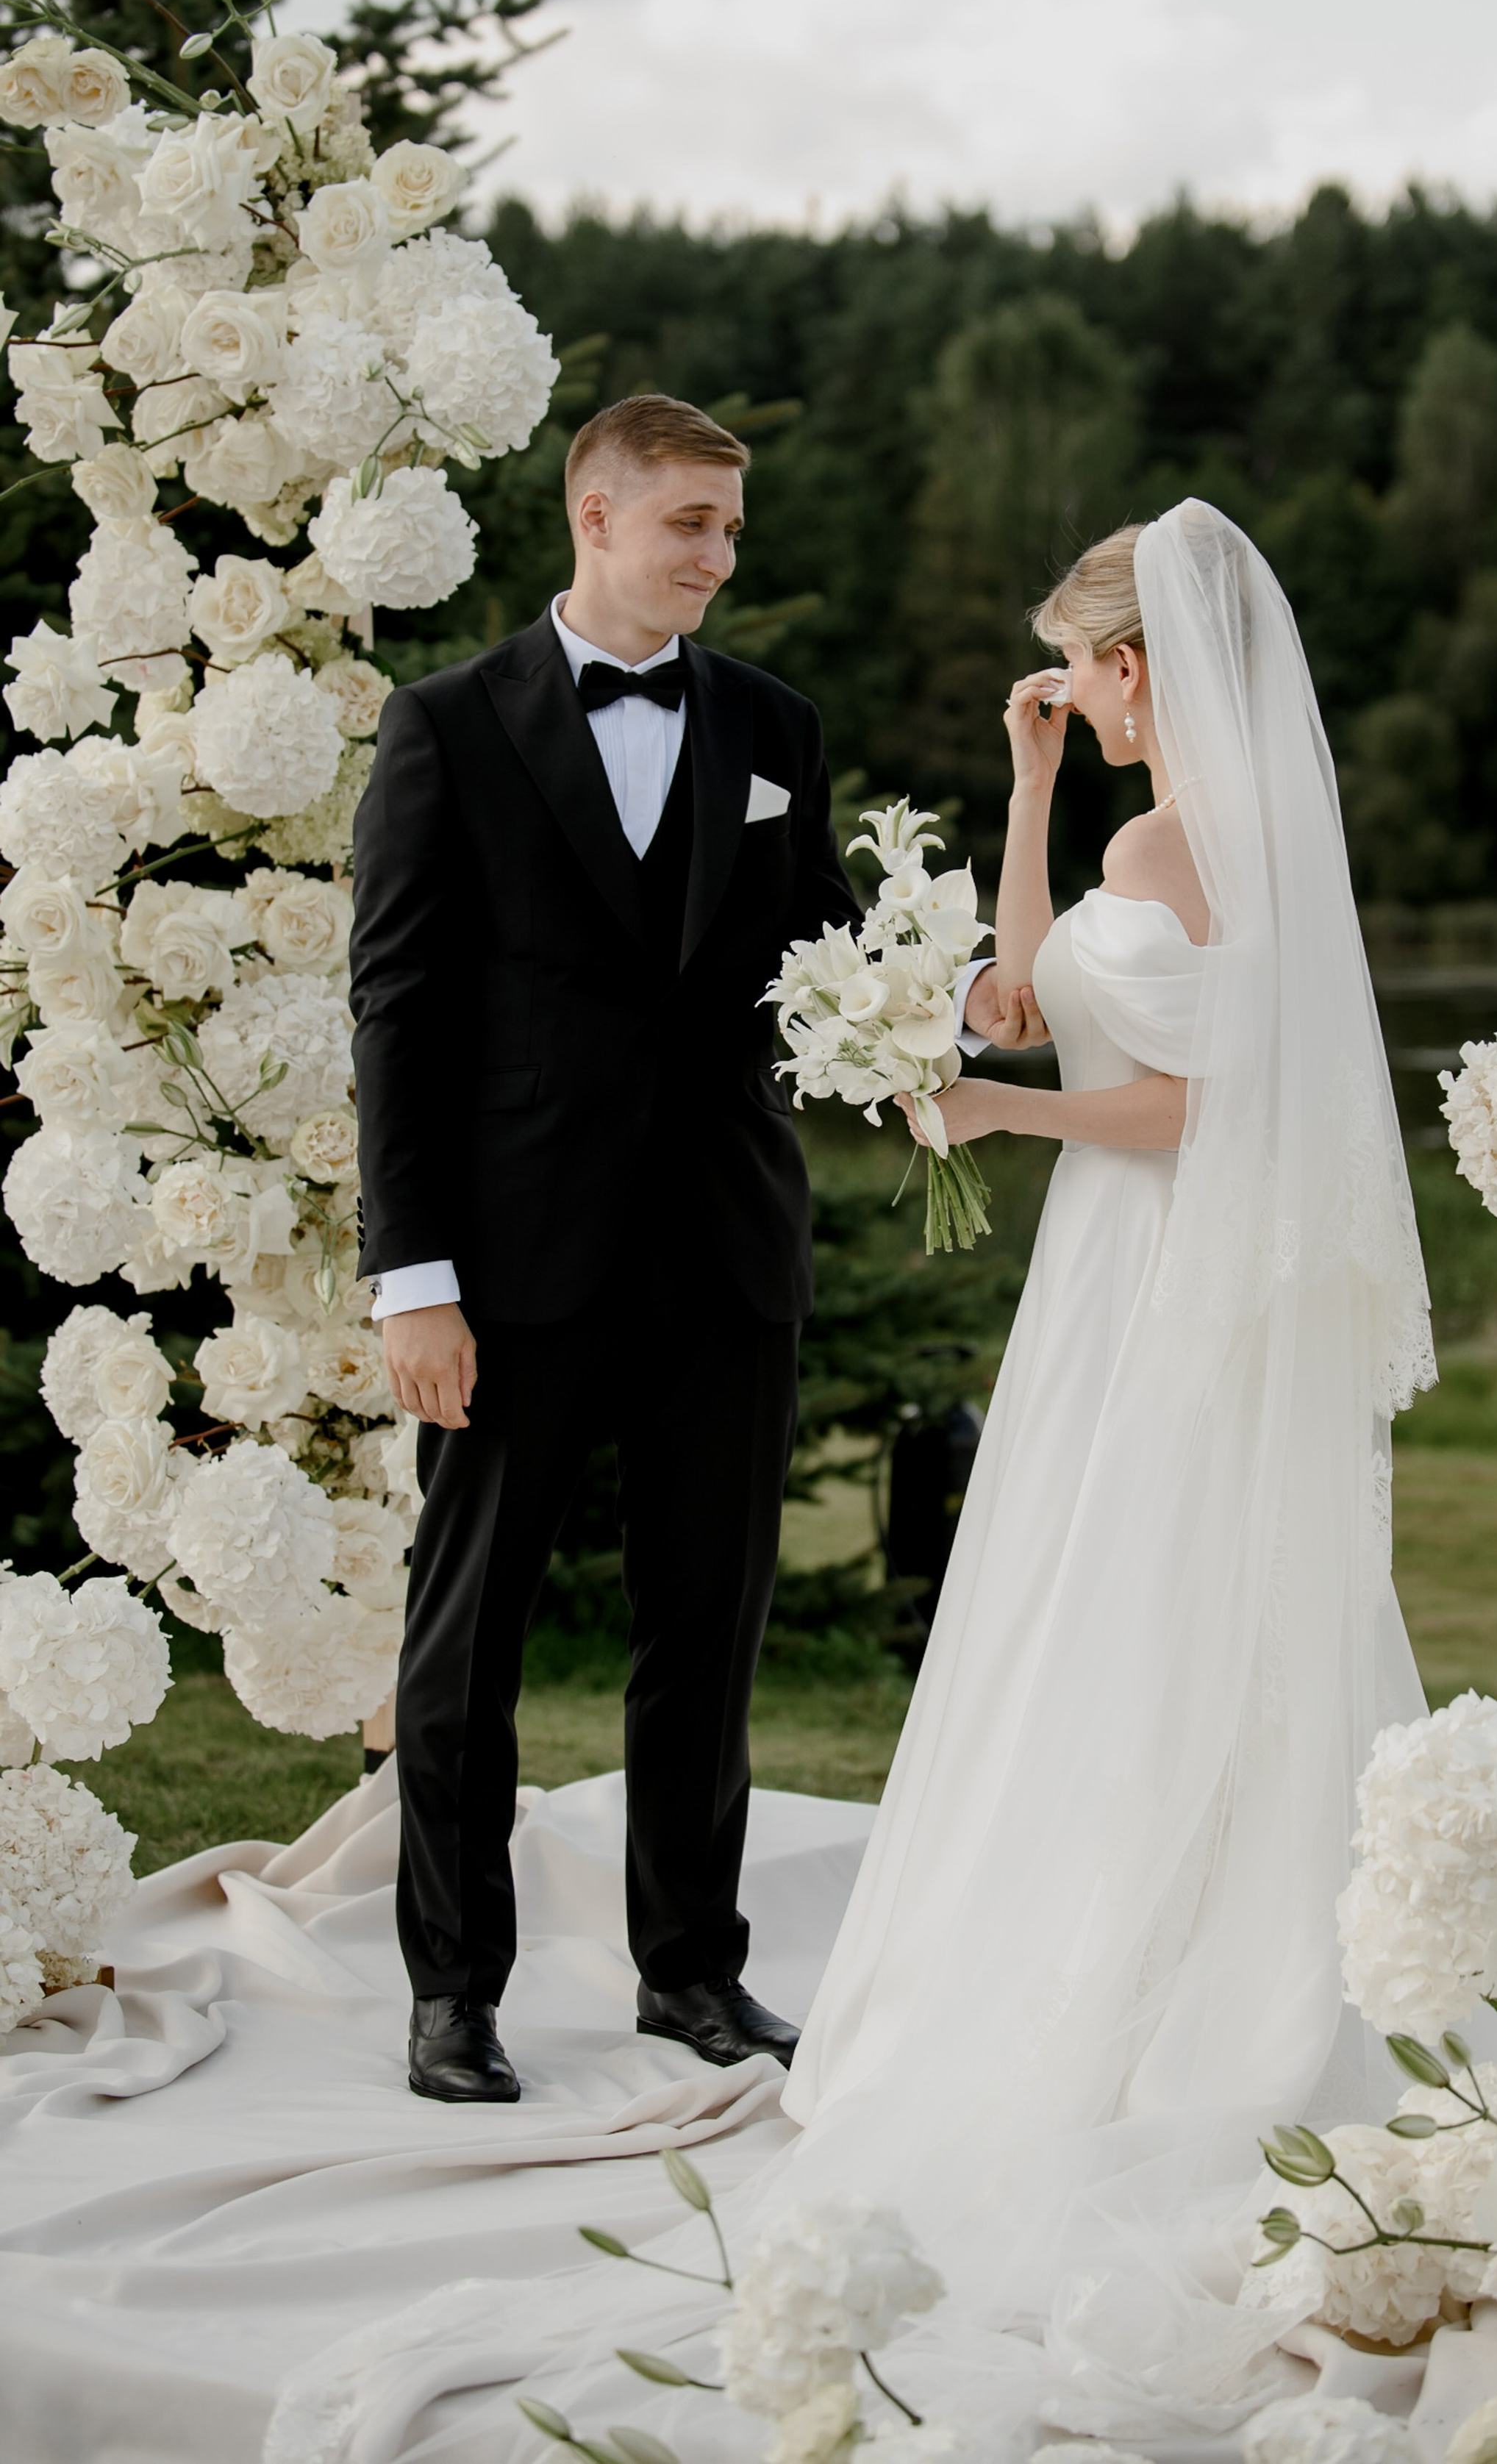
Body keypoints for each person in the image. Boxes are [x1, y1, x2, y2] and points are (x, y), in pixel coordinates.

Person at [773, 500, 1437, 2425]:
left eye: (1085, 670)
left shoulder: (1190, 837)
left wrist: (989, 1104)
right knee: (1114, 1600)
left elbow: (1178, 1105)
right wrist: (1026, 781)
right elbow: (1034, 979)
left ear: (1141, 660)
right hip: (1120, 1282)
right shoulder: (1176, 830)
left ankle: (1161, 1984)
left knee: (1131, 1609)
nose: (1083, 696)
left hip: (1158, 1287)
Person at [349, 393, 1042, 2107]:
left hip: (726, 1250)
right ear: (595, 516)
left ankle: (693, 1976)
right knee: (465, 1643)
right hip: (511, 1265)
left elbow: (815, 948)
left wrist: (937, 1008)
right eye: (690, 528)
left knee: (703, 1631)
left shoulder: (771, 725)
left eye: (732, 532)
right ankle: (452, 1993)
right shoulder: (447, 727)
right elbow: (398, 1014)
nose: (718, 559)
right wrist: (412, 1277)